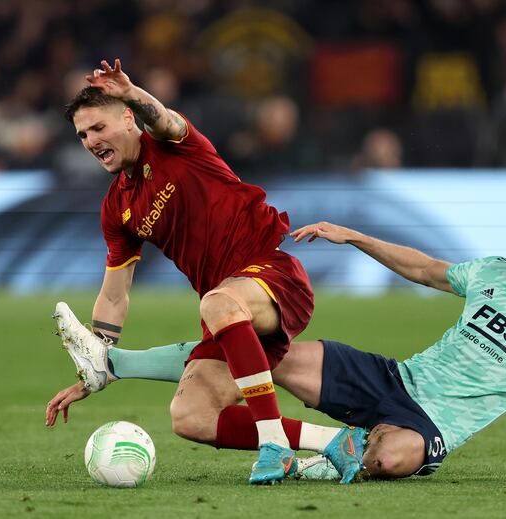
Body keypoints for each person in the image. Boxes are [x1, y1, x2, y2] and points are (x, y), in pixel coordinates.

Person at [47, 204, 506, 482]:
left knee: (394, 458)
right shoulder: (491, 273)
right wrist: (355, 237)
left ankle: (328, 457)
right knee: (260, 347)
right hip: (392, 379)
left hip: (430, 423)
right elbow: (422, 268)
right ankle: (117, 365)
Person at [60, 58, 363, 485]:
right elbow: (114, 294)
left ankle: (275, 444)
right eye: (83, 135)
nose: (91, 141)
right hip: (229, 310)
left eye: (99, 128)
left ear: (128, 118)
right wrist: (99, 356)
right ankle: (336, 441)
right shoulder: (117, 207)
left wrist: (131, 91)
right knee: (190, 417)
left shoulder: (173, 145)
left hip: (272, 275)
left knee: (216, 302)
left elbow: (162, 118)